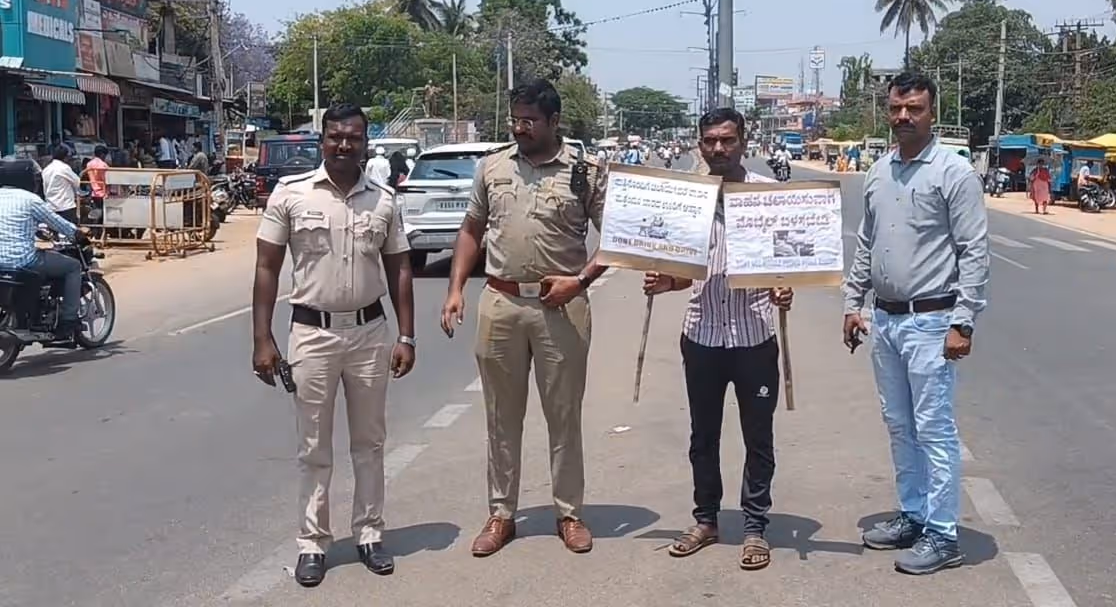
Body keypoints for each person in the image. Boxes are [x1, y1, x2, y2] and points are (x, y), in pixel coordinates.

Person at [439, 79, 607, 558]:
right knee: (500, 416)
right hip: (502, 302)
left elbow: (616, 236)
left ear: (554, 121)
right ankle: (501, 514)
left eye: (530, 121)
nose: (520, 128)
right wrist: (455, 289)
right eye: (515, 119)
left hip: (562, 306)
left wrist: (581, 281)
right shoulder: (493, 167)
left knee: (563, 415)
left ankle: (569, 513)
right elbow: (471, 228)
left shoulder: (585, 171)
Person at [251, 103, 417, 588]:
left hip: (369, 334)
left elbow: (400, 269)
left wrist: (406, 335)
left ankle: (369, 534)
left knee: (370, 442)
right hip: (312, 335)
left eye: (354, 137)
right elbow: (266, 266)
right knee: (313, 447)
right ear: (322, 140)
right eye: (335, 136)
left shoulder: (383, 201)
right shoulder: (292, 193)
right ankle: (312, 543)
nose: (344, 145)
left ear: (365, 143)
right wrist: (263, 338)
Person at [842, 72, 990, 576]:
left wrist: (964, 322)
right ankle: (913, 513)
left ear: (932, 113)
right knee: (899, 424)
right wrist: (853, 303)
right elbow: (867, 242)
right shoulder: (879, 171)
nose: (904, 117)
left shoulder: (954, 173)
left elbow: (974, 252)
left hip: (932, 321)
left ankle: (943, 535)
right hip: (885, 320)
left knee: (934, 429)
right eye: (896, 108)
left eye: (915, 109)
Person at [641, 107, 793, 571]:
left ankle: (754, 527)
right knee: (702, 436)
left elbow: (787, 260)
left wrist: (784, 288)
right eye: (710, 140)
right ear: (700, 144)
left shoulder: (768, 196)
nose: (719, 148)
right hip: (702, 337)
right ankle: (705, 520)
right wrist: (664, 283)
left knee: (758, 438)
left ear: (744, 141)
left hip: (754, 338)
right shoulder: (687, 198)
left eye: (727, 139)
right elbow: (683, 273)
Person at [0, 182, 84, 340]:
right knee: (73, 267)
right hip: (23, 262)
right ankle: (68, 321)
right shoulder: (29, 199)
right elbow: (56, 222)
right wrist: (77, 233)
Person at [41, 144, 81, 224]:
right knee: (69, 229)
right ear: (65, 157)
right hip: (65, 206)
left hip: (50, 206)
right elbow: (77, 182)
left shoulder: (46, 169)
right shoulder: (64, 168)